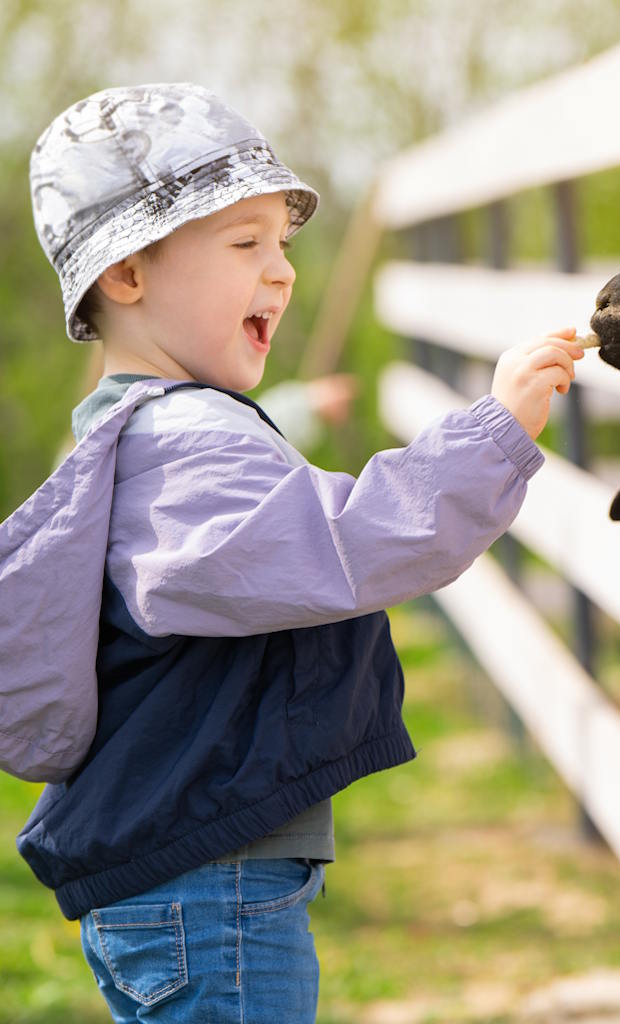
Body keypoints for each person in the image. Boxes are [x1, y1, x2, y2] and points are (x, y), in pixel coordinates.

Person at [10, 82, 583, 1023]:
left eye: (283, 244)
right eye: (245, 243)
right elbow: (345, 545)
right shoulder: (182, 440)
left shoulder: (149, 434)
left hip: (193, 888)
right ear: (126, 275)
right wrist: (493, 434)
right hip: (211, 893)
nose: (280, 272)